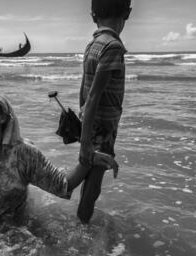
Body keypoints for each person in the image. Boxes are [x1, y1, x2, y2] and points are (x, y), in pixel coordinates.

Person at [76, 0, 132, 223]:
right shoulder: (113, 47)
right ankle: (82, 230)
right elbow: (94, 96)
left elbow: (84, 89)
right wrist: (85, 142)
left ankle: (81, 221)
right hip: (103, 127)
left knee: (89, 178)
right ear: (127, 14)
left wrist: (84, 128)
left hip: (91, 124)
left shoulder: (93, 44)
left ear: (92, 15)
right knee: (94, 184)